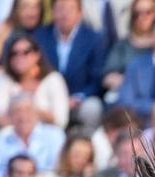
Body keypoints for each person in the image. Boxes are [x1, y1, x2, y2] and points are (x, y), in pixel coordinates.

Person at [35, 0, 107, 132]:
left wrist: (78, 97)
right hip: (48, 100)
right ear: (53, 12)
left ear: (80, 13)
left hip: (78, 99)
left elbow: (97, 78)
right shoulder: (40, 36)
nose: (65, 14)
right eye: (60, 9)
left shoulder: (94, 38)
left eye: (70, 9)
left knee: (93, 108)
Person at [0, 93, 66, 177]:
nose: (23, 116)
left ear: (36, 113)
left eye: (28, 110)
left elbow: (59, 169)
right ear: (10, 116)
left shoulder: (54, 134)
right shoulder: (3, 137)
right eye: (17, 111)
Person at [0, 33, 71, 129]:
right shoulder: (6, 80)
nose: (19, 57)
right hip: (13, 136)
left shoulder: (53, 80)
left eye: (26, 52)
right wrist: (22, 127)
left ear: (37, 55)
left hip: (48, 135)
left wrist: (29, 112)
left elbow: (61, 120)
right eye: (14, 53)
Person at [102, 0, 155, 106]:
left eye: (148, 12)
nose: (143, 17)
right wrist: (131, 83)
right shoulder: (123, 45)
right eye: (137, 13)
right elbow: (107, 77)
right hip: (128, 98)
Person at [0, 0, 46, 70]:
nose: (31, 13)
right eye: (25, 7)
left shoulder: (48, 32)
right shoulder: (5, 30)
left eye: (36, 7)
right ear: (16, 10)